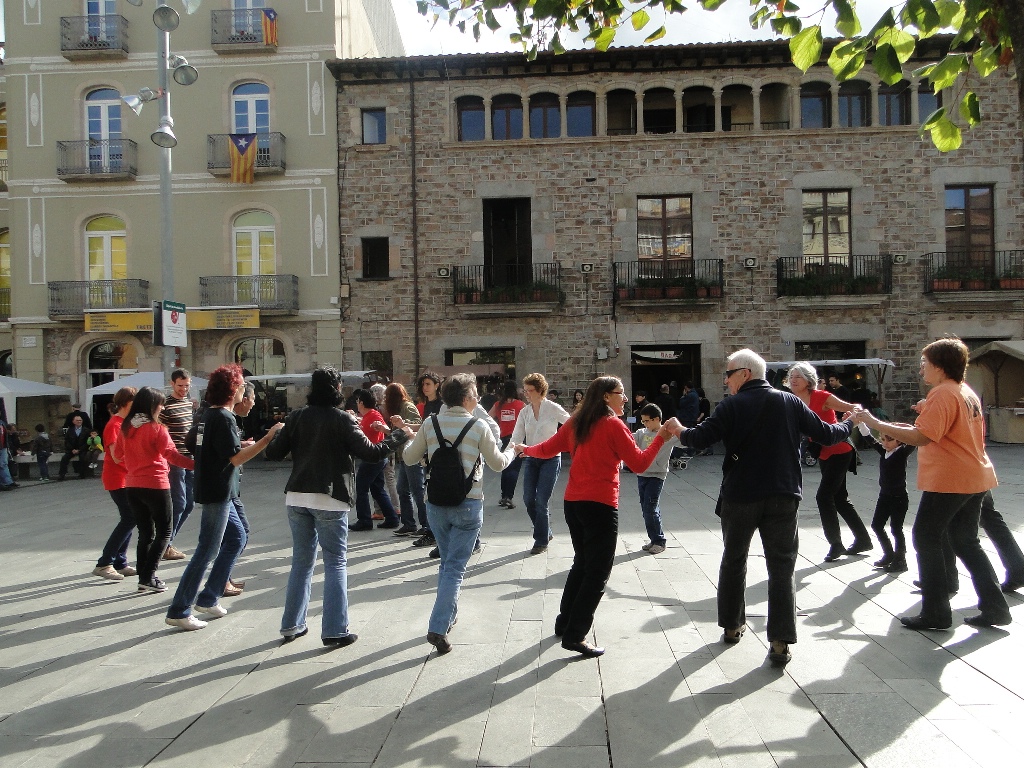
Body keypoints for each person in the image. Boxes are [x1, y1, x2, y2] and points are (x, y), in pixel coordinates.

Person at [669, 349, 854, 666]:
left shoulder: (732, 405)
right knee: (782, 568)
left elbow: (698, 439)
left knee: (734, 559)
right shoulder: (791, 401)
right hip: (783, 494)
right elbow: (826, 434)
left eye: (728, 374)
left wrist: (678, 429)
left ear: (745, 373)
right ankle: (780, 641)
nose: (726, 381)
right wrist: (849, 423)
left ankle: (731, 626)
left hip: (741, 495)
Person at [854, 337, 1011, 629]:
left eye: (925, 364)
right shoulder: (964, 391)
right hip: (974, 476)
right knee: (966, 542)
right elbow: (931, 430)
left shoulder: (943, 393)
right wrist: (906, 423)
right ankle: (995, 608)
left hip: (951, 478)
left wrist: (874, 422)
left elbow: (921, 437)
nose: (921, 369)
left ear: (940, 366)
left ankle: (936, 612)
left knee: (926, 538)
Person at [517, 376, 677, 657]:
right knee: (597, 572)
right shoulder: (613, 425)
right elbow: (639, 463)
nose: (625, 399)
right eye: (621, 394)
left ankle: (564, 622)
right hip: (600, 505)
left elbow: (547, 448)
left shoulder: (578, 421)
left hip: (573, 503)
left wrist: (525, 450)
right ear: (606, 397)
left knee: (582, 563)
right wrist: (662, 437)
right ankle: (576, 634)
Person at [267, 367, 407, 646]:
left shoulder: (297, 417)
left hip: (296, 497)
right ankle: (334, 629)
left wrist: (279, 433)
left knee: (301, 563)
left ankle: (291, 625)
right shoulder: (343, 419)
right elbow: (370, 452)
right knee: (335, 562)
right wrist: (399, 435)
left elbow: (273, 453)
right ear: (337, 388)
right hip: (330, 498)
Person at [402, 373, 515, 655]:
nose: (478, 399)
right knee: (454, 568)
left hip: (436, 505)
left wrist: (413, 440)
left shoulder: (431, 423)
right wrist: (513, 450)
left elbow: (409, 458)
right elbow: (498, 464)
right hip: (468, 503)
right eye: (475, 394)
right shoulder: (478, 425)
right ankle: (438, 626)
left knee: (446, 564)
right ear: (466, 399)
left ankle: (448, 618)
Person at [165, 365, 284, 631]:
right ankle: (179, 608)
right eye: (241, 385)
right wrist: (267, 438)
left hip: (218, 488)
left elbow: (204, 444)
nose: (244, 389)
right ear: (233, 390)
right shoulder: (224, 418)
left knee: (238, 537)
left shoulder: (209, 414)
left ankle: (209, 596)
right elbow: (235, 459)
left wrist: (238, 445)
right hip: (218, 489)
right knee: (207, 549)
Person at [785, 362, 872, 562]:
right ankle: (863, 539)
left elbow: (854, 408)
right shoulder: (791, 400)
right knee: (840, 498)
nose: (793, 379)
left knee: (824, 497)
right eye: (791, 376)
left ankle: (836, 544)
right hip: (823, 453)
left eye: (798, 376)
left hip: (840, 450)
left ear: (808, 380)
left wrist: (852, 420)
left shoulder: (822, 397)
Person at [121, 387, 194, 593]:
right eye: (160, 404)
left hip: (132, 485)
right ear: (152, 405)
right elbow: (172, 455)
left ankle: (143, 577)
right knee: (164, 531)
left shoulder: (127, 428)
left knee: (145, 533)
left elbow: (118, 454)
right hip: (155, 484)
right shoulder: (157, 429)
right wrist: (198, 465)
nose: (162, 407)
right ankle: (149, 576)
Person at [509, 372, 571, 554]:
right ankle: (546, 531)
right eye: (525, 390)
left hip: (551, 459)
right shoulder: (525, 411)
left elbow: (570, 424)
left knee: (541, 500)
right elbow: (516, 436)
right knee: (528, 499)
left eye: (530, 390)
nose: (526, 393)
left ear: (540, 390)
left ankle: (541, 540)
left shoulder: (552, 408)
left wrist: (560, 441)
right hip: (531, 457)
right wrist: (509, 454)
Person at [91, 388, 139, 581]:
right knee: (130, 517)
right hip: (117, 478)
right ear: (126, 402)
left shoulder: (127, 423)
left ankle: (119, 561)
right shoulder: (114, 425)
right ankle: (105, 563)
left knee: (131, 518)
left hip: (128, 478)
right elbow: (115, 456)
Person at [864, 430, 915, 573]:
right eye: (883, 440)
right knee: (876, 525)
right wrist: (860, 422)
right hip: (884, 495)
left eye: (889, 440)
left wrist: (909, 430)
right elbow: (871, 440)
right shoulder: (884, 451)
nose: (885, 443)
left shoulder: (901, 453)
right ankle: (889, 554)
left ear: (899, 441)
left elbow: (913, 442)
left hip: (899, 497)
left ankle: (900, 560)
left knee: (896, 529)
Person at [633, 403, 681, 555]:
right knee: (646, 508)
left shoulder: (668, 434)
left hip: (657, 475)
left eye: (647, 420)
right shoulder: (641, 433)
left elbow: (687, 439)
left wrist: (681, 429)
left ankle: (659, 541)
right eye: (643, 421)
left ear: (657, 419)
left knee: (650, 508)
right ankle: (653, 539)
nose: (645, 424)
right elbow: (628, 441)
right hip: (642, 475)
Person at [350, 388, 400, 531]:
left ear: (361, 403)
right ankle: (391, 518)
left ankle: (364, 520)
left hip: (373, 457)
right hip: (376, 457)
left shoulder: (373, 415)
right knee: (377, 489)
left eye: (358, 401)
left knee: (361, 488)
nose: (357, 404)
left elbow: (383, 428)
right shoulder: (368, 415)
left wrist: (380, 427)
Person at [382, 382, 425, 537]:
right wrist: (384, 429)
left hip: (412, 454)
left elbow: (419, 425)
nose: (385, 399)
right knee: (403, 490)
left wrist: (403, 423)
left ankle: (425, 525)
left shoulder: (407, 407)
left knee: (417, 491)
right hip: (404, 456)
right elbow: (399, 432)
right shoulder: (399, 409)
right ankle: (408, 524)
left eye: (387, 396)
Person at [161, 368, 195, 561]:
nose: (184, 389)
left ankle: (168, 542)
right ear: (172, 384)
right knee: (179, 503)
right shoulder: (165, 405)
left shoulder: (189, 403)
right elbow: (162, 433)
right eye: (180, 386)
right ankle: (165, 544)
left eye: (187, 385)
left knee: (189, 503)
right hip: (174, 461)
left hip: (189, 459)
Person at [489, 380, 525, 509]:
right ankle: (509, 496)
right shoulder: (521, 405)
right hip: (517, 439)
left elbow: (488, 417)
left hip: (503, 438)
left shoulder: (498, 405)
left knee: (504, 467)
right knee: (514, 469)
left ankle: (504, 495)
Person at [57, 415, 89, 480]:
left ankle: (82, 474)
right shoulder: (70, 430)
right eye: (77, 420)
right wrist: (72, 449)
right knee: (64, 458)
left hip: (82, 449)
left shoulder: (86, 430)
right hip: (72, 449)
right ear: (73, 421)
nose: (79, 422)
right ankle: (61, 475)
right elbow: (67, 441)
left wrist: (79, 450)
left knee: (83, 458)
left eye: (80, 420)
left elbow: (87, 442)